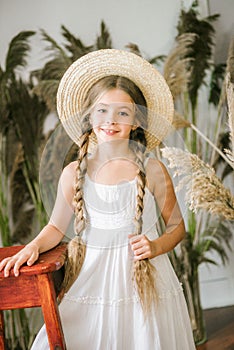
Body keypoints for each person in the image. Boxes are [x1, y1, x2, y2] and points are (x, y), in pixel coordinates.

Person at [0, 49, 196, 349]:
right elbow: (55, 227)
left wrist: (155, 246)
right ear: (89, 116)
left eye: (123, 113)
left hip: (145, 286)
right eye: (102, 110)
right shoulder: (74, 173)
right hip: (94, 282)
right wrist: (33, 246)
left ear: (137, 122)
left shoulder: (153, 169)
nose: (111, 120)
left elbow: (177, 228)